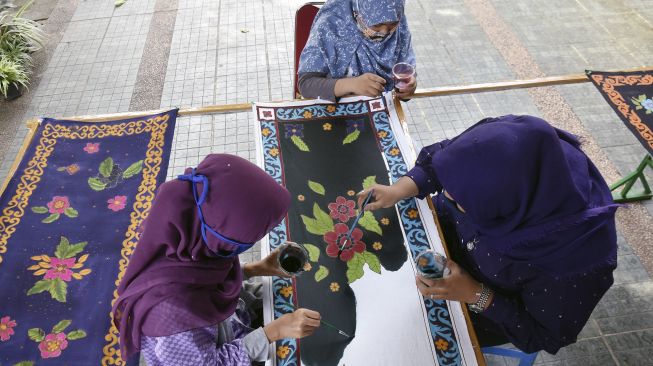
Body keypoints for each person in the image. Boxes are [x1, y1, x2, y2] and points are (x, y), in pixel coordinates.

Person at [358, 115, 619, 354]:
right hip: (456, 251)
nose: (445, 195)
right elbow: (449, 160)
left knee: (398, 335)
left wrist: (476, 294)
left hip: (485, 304)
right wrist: (401, 188)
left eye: (461, 201)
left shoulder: (575, 263)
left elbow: (544, 336)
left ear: (506, 211)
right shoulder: (516, 143)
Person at [112, 154, 321, 365]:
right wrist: (272, 332)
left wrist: (254, 269)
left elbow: (201, 278)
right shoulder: (172, 315)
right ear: (218, 238)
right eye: (249, 239)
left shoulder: (182, 237)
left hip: (220, 325)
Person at [297, 0, 416, 101]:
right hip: (333, 113)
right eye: (376, 25)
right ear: (359, 12)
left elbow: (405, 73)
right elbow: (306, 85)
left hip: (382, 110)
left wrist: (409, 88)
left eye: (392, 25)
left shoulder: (398, 21)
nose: (384, 32)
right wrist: (352, 84)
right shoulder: (329, 26)